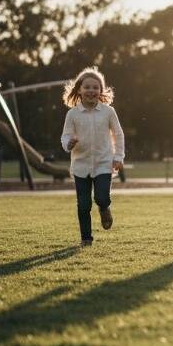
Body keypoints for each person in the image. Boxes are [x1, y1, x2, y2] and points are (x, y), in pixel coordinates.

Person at [60, 67, 125, 246]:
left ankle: (105, 208)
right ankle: (86, 238)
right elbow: (65, 136)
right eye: (87, 87)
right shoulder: (72, 114)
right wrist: (69, 144)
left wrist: (118, 156)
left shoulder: (108, 112)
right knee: (83, 205)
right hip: (80, 165)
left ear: (101, 91)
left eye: (95, 87)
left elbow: (118, 134)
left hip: (104, 163)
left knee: (102, 197)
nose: (91, 91)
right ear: (79, 89)